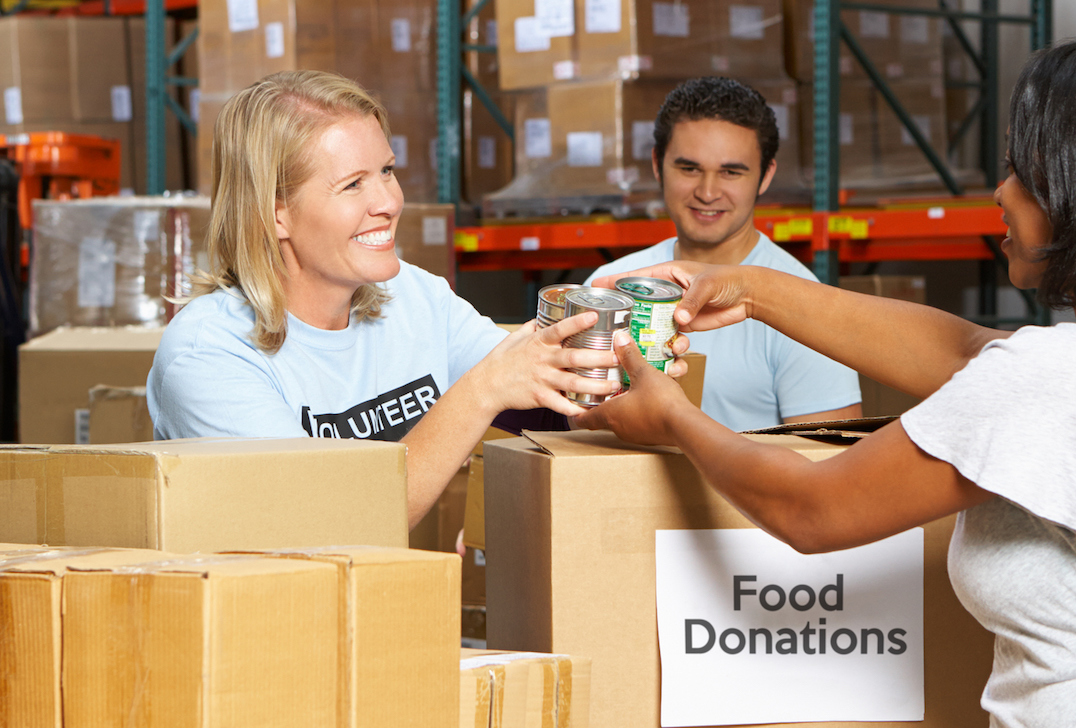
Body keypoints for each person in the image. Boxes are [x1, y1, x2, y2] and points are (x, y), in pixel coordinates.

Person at [582, 37, 1076, 728]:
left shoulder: (1070, 375)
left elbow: (812, 510)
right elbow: (968, 355)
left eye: (1023, 170)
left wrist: (672, 418)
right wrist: (752, 289)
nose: (1001, 193)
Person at [147, 71, 681, 530]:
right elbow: (331, 528)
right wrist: (480, 392)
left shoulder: (414, 296)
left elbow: (554, 417)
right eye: (353, 184)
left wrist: (618, 366)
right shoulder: (209, 355)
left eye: (387, 170)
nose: (389, 201)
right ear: (274, 212)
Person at [584, 77, 862, 432]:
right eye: (689, 168)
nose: (708, 191)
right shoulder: (611, 285)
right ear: (657, 165)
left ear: (765, 177)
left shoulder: (803, 304)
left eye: (731, 172)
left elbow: (832, 463)